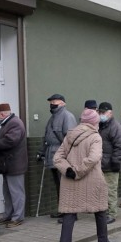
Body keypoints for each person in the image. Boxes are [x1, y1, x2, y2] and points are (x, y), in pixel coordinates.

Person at [53, 108, 117, 242]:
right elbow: (94, 157)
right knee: (100, 210)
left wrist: (68, 171)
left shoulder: (70, 135)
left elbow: (57, 158)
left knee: (69, 214)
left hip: (70, 182)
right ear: (95, 122)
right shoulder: (95, 136)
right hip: (92, 180)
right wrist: (78, 171)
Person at [37, 93, 77, 222]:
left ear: (63, 103)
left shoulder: (67, 116)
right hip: (52, 155)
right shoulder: (52, 118)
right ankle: (63, 211)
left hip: (62, 158)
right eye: (51, 102)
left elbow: (70, 140)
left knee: (66, 186)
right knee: (59, 185)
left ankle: (71, 214)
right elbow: (46, 137)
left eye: (55, 101)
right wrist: (41, 152)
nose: (52, 104)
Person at [0, 103, 28, 227]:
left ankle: (18, 217)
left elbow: (10, 140)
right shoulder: (8, 123)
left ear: (1, 114)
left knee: (16, 192)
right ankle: (8, 216)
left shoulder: (15, 123)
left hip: (14, 164)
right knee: (8, 192)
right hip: (8, 164)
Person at [98, 102, 121, 224]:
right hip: (100, 164)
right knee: (102, 190)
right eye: (100, 112)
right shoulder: (100, 125)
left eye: (104, 112)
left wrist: (115, 162)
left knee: (110, 191)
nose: (101, 114)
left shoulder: (115, 126)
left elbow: (119, 147)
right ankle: (104, 212)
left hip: (110, 165)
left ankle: (112, 214)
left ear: (110, 113)